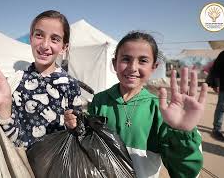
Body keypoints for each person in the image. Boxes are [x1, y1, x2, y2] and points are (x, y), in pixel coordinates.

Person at [65, 31, 208, 178]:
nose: (133, 67)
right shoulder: (100, 101)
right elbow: (89, 146)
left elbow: (184, 172)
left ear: (154, 67)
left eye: (143, 61)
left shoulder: (160, 110)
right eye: (126, 59)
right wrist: (76, 127)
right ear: (114, 64)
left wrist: (182, 134)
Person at [0, 10, 82, 149]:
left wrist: (74, 126)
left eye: (54, 39)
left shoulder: (70, 85)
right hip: (19, 165)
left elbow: (80, 135)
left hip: (56, 166)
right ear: (31, 38)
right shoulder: (16, 81)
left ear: (64, 47)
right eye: (39, 35)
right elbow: (13, 139)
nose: (45, 45)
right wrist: (3, 106)